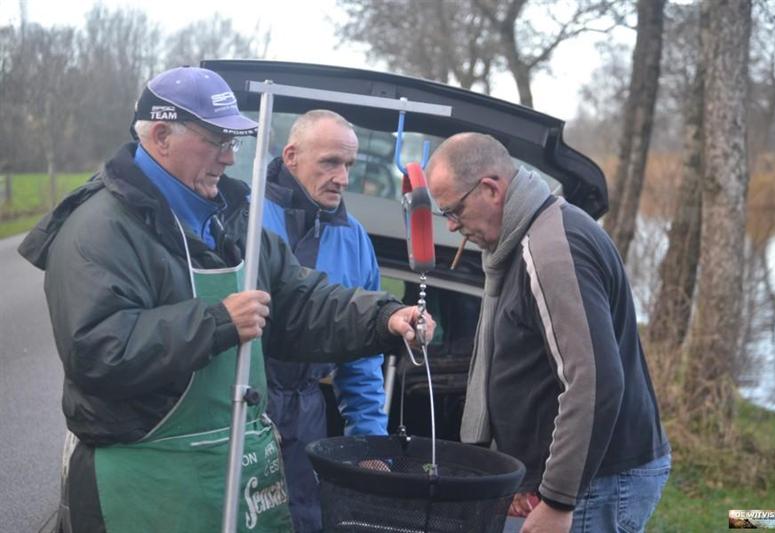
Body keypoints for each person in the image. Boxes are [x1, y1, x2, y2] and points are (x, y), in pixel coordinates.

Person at [18, 66, 432, 533]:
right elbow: (98, 351)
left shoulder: (232, 220)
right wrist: (218, 322)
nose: (230, 157)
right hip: (142, 482)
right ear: (161, 136)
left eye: (233, 142)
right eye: (217, 140)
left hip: (230, 466)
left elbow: (299, 303)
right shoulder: (98, 228)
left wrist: (385, 318)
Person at [425, 132, 671, 533]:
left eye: (454, 210)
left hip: (598, 484)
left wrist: (558, 500)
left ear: (491, 189)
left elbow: (594, 381)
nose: (452, 225)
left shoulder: (552, 250)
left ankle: (767, 523)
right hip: (572, 480)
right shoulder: (522, 237)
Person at [260, 109, 387, 532]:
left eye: (349, 165)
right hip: (243, 406)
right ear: (291, 156)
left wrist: (369, 442)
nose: (343, 178)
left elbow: (362, 355)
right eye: (331, 162)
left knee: (302, 520)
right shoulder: (245, 218)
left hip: (307, 414)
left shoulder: (355, 240)